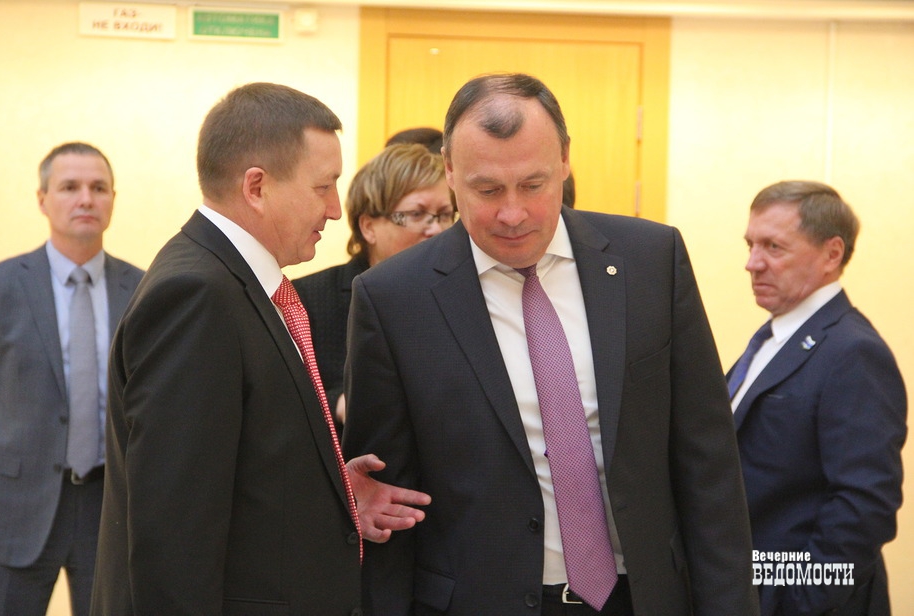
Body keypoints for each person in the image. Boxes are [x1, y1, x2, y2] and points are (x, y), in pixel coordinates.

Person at [341, 73, 759, 615]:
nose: (512, 213)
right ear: (450, 171)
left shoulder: (651, 261)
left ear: (564, 159)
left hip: (643, 596)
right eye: (487, 190)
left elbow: (708, 463)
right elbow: (389, 502)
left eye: (533, 185)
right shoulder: (394, 298)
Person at [90, 82, 429, 615]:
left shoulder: (233, 281)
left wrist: (332, 492)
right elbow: (174, 531)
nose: (334, 209)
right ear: (256, 187)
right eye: (323, 186)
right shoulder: (197, 295)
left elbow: (238, 461)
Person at [730, 180, 906, 616]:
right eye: (751, 245)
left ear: (831, 254)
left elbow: (865, 504)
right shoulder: (774, 337)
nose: (752, 264)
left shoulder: (853, 351)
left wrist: (800, 602)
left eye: (774, 247)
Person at [0, 142, 144, 616]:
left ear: (113, 199)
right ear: (42, 199)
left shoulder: (144, 289)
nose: (85, 199)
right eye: (70, 187)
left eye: (98, 188)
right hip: (16, 505)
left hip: (110, 504)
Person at [292, 143, 455, 426]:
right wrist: (339, 404)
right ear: (368, 227)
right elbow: (281, 405)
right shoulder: (306, 300)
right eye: (417, 214)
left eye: (445, 215)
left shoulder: (463, 295)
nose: (437, 229)